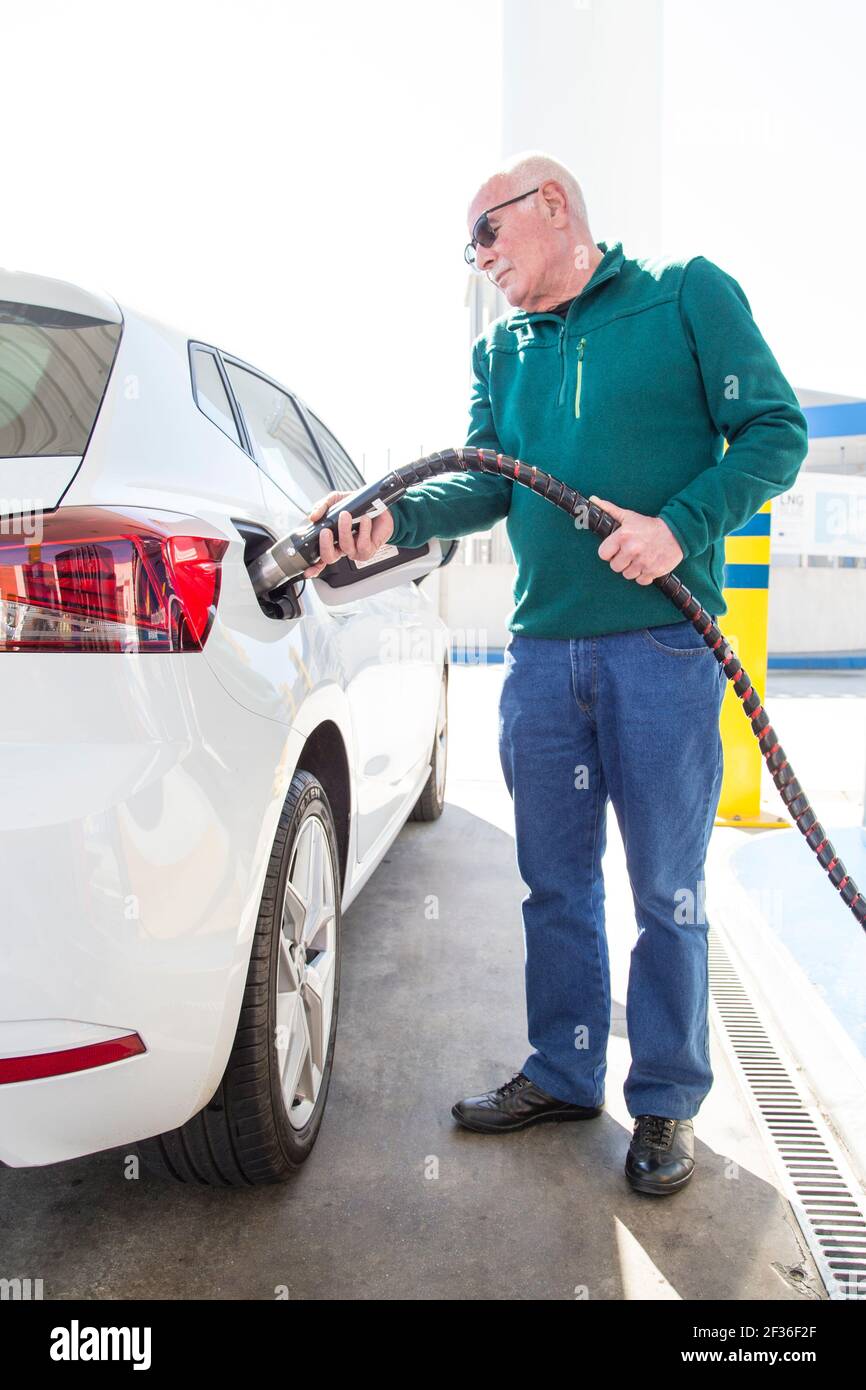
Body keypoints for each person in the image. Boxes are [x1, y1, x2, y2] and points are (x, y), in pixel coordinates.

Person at [303, 150, 808, 1196]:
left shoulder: (683, 295)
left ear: (551, 207)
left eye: (485, 234)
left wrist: (680, 527)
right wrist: (388, 519)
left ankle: (664, 1100)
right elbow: (484, 485)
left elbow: (774, 431)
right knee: (554, 884)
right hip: (542, 659)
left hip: (662, 651)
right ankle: (565, 1071)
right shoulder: (505, 351)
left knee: (665, 889)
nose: (477, 259)